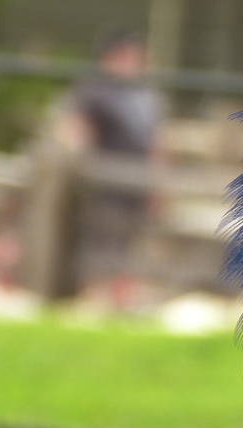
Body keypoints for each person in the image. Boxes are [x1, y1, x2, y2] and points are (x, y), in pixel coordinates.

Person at [57, 30, 164, 309]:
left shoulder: (146, 93)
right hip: (105, 180)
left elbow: (157, 140)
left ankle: (122, 299)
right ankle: (95, 296)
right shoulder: (94, 90)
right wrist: (83, 164)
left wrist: (158, 181)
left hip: (138, 181)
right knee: (100, 241)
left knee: (133, 242)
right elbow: (77, 129)